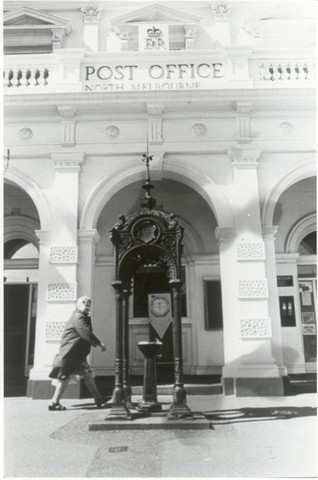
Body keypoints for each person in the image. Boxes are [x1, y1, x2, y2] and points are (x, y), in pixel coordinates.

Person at [48, 295, 107, 411]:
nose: (87, 306)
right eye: (85, 304)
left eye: (89, 305)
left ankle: (98, 397)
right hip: (71, 354)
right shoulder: (78, 317)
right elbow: (86, 333)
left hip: (77, 354)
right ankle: (54, 402)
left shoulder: (80, 316)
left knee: (87, 374)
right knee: (64, 377)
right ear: (78, 305)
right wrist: (99, 344)